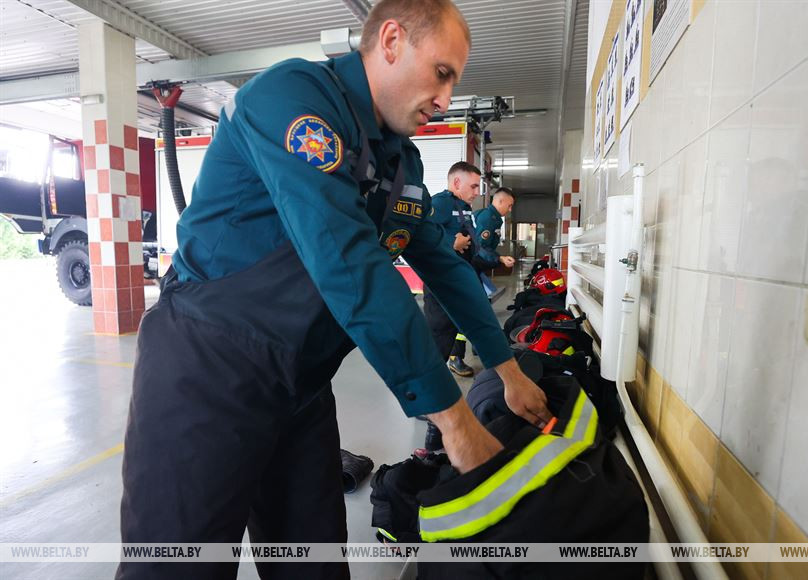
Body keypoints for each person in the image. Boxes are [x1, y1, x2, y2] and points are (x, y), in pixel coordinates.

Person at [116, 1, 552, 579]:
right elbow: (348, 262)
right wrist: (453, 418)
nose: (446, 100)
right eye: (442, 73)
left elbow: (442, 265)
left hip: (300, 384)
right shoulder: (293, 99)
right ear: (391, 41)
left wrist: (508, 370)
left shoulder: (401, 160)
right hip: (206, 371)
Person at [424, 161, 481, 378]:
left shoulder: (464, 207)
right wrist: (451, 243)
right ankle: (430, 394)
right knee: (438, 336)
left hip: (459, 280)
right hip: (441, 284)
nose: (477, 192)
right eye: (474, 186)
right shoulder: (441, 203)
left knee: (452, 332)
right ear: (457, 182)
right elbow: (424, 234)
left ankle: (453, 361)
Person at [474, 186, 516, 271]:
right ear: (500, 201)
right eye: (509, 206)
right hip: (471, 262)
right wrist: (500, 258)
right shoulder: (488, 218)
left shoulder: (495, 218)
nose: (510, 209)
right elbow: (480, 246)